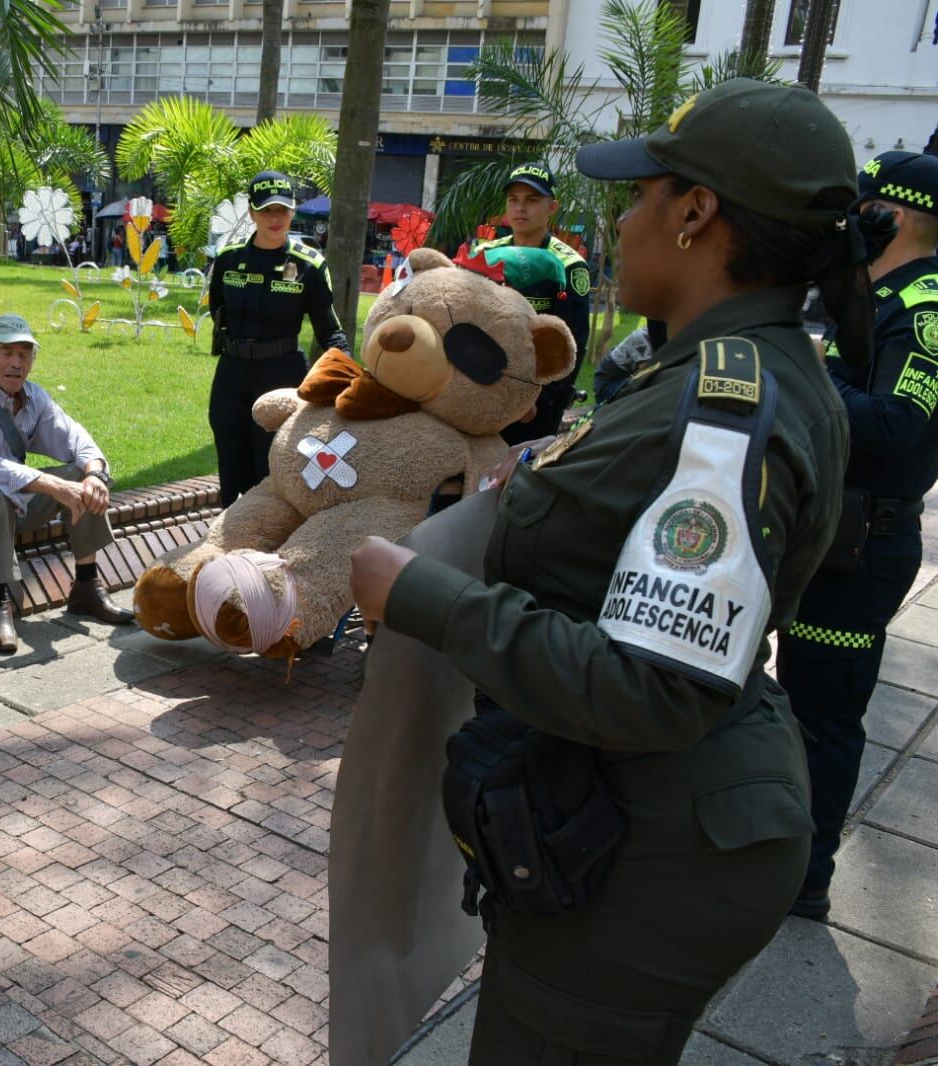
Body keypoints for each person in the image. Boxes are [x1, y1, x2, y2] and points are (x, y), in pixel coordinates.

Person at [351, 78, 874, 1064]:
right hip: (640, 813)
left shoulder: (725, 409)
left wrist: (419, 591)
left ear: (696, 214)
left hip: (653, 845)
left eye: (640, 197)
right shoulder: (724, 369)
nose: (622, 220)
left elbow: (655, 686)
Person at [779, 149, 938, 922]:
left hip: (861, 548)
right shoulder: (870, 289)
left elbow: (900, 428)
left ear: (894, 213)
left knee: (823, 712)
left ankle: (806, 876)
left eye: (863, 205)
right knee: (791, 699)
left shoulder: (926, 306)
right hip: (821, 528)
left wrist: (813, 369)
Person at [0, 313, 134, 654]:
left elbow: (75, 439)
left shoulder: (34, 398)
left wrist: (95, 474)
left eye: (24, 354)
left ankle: (86, 585)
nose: (16, 363)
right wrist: (50, 485)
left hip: (12, 501)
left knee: (80, 477)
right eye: (6, 352)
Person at [208, 169, 349, 507]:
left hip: (281, 378)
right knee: (231, 476)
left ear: (293, 210)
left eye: (282, 210)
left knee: (271, 477)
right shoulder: (229, 260)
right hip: (231, 379)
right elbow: (218, 311)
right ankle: (229, 552)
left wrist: (348, 378)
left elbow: (330, 330)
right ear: (252, 212)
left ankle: (267, 555)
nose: (275, 218)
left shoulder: (309, 265)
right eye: (267, 210)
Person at [472, 163, 593, 442]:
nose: (520, 208)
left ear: (552, 207)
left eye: (532, 200)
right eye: (513, 200)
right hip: (481, 386)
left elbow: (572, 343)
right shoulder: (484, 254)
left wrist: (543, 401)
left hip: (534, 402)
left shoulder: (569, 265)